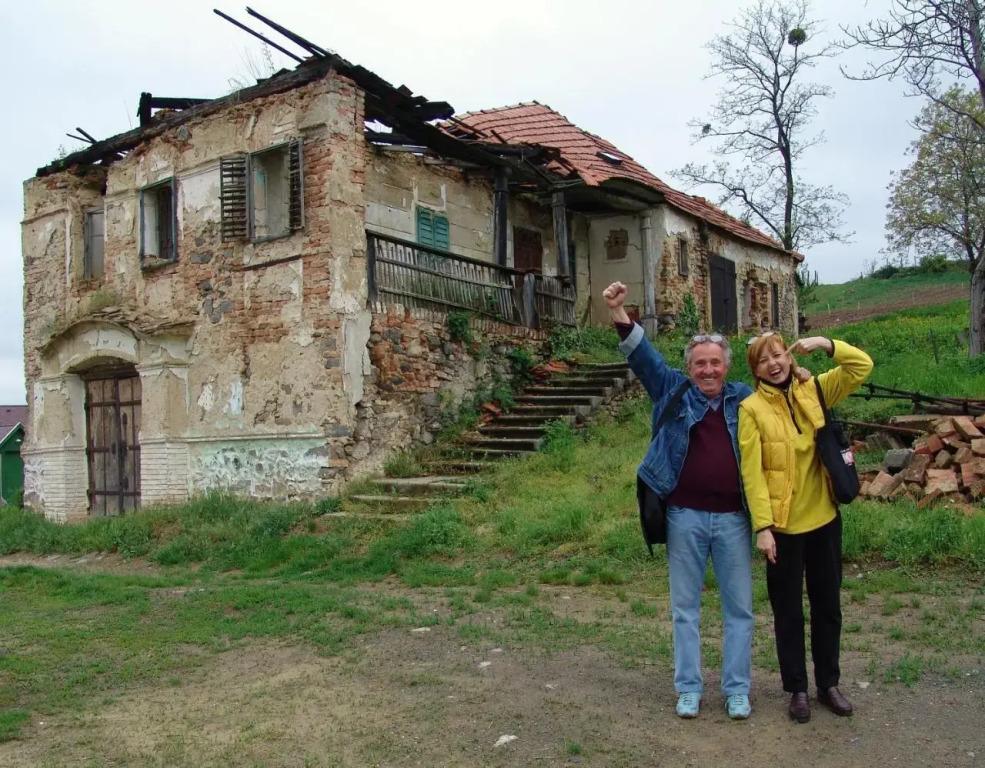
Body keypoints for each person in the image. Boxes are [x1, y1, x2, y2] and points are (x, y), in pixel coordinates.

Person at [602, 281, 754, 721]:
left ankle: (737, 690)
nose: (708, 370)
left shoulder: (745, 398)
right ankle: (688, 688)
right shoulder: (671, 389)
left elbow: (783, 399)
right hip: (684, 517)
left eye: (715, 363)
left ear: (727, 366)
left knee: (739, 610)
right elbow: (642, 356)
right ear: (689, 367)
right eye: (700, 364)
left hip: (733, 521)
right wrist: (618, 310)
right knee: (685, 610)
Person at [738, 332, 873, 723]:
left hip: (825, 520)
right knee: (788, 612)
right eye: (763, 360)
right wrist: (762, 527)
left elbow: (861, 367)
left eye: (778, 355)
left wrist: (827, 344)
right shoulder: (750, 410)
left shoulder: (814, 389)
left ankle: (828, 683)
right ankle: (796, 688)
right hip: (782, 529)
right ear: (755, 369)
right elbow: (753, 474)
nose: (773, 364)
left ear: (788, 356)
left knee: (828, 606)